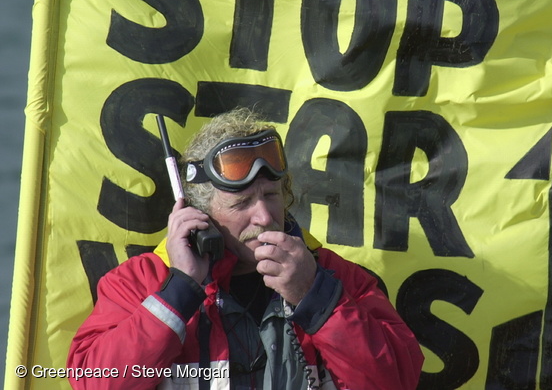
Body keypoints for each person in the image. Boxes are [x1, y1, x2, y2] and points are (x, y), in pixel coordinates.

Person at [67, 107, 424, 389]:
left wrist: (315, 297)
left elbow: (396, 380)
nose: (265, 216)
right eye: (241, 204)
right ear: (199, 214)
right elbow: (94, 382)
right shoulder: (141, 282)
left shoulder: (336, 277)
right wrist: (178, 293)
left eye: (271, 196)